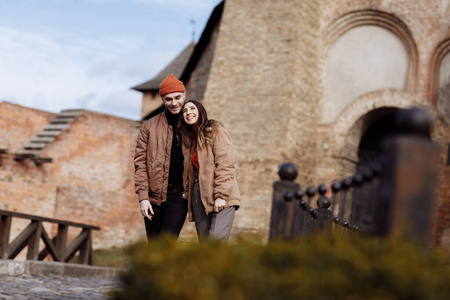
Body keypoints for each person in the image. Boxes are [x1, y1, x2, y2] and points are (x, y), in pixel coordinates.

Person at [134, 74, 188, 239]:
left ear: (184, 96)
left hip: (179, 196)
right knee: (154, 246)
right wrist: (143, 198)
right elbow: (140, 164)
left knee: (166, 244)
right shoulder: (148, 126)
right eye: (168, 99)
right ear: (162, 100)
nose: (174, 103)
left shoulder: (192, 124)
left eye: (177, 97)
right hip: (153, 197)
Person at [178, 100, 240, 242]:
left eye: (192, 108)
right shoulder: (191, 140)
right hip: (199, 196)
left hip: (221, 194)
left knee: (215, 243)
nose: (188, 113)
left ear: (200, 111)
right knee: (206, 248)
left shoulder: (214, 130)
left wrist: (221, 195)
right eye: (185, 111)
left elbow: (226, 162)